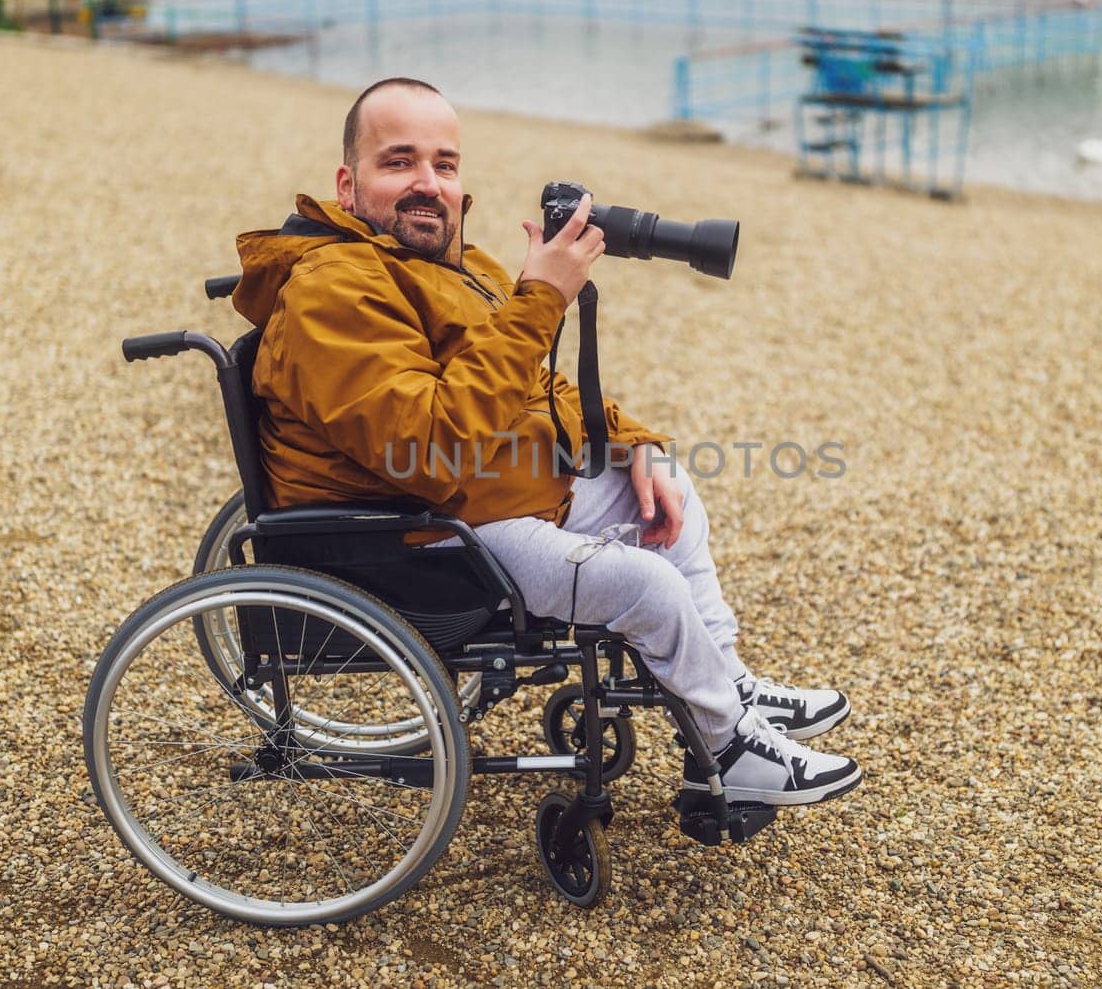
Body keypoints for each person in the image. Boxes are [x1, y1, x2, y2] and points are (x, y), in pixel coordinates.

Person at [231, 77, 860, 806]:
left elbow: (532, 388)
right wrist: (543, 300)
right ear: (349, 183)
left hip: (486, 497)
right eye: (399, 161)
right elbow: (430, 447)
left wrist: (632, 443)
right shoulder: (334, 291)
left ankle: (727, 684)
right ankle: (729, 746)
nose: (429, 184)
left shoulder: (446, 265)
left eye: (446, 163)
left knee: (668, 486)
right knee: (645, 585)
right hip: (412, 534)